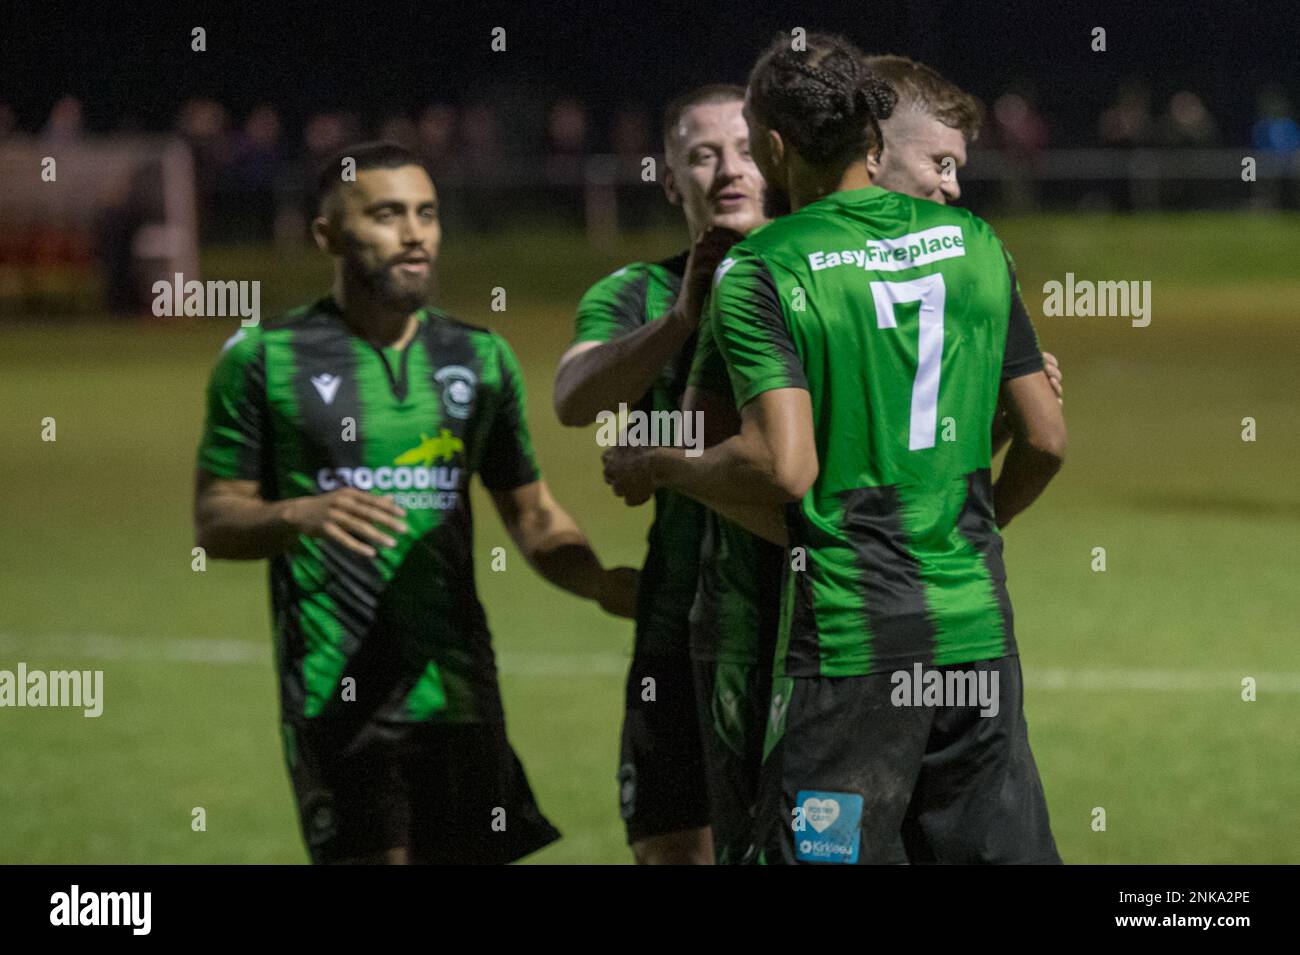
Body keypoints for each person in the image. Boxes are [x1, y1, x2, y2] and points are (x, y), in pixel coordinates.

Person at [605, 33, 1066, 864]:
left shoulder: (765, 267)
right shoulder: (976, 245)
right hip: (976, 634)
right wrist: (963, 524)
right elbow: (1047, 437)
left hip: (850, 644)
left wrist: (657, 464)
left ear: (776, 147)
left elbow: (778, 467)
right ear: (871, 136)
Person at [193, 141, 636, 864]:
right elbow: (216, 519)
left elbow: (532, 514)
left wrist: (598, 582)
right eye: (387, 214)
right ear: (327, 235)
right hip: (337, 693)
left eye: (426, 213)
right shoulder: (262, 358)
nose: (415, 233)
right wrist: (298, 514)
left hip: (459, 687)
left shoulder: (479, 358)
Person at [552, 84, 765, 863]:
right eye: (703, 155)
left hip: (798, 625)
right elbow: (574, 397)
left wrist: (664, 458)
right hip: (676, 626)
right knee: (671, 851)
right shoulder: (635, 292)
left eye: (745, 149)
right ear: (672, 179)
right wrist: (679, 318)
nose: (728, 170)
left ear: (776, 158)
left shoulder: (819, 278)